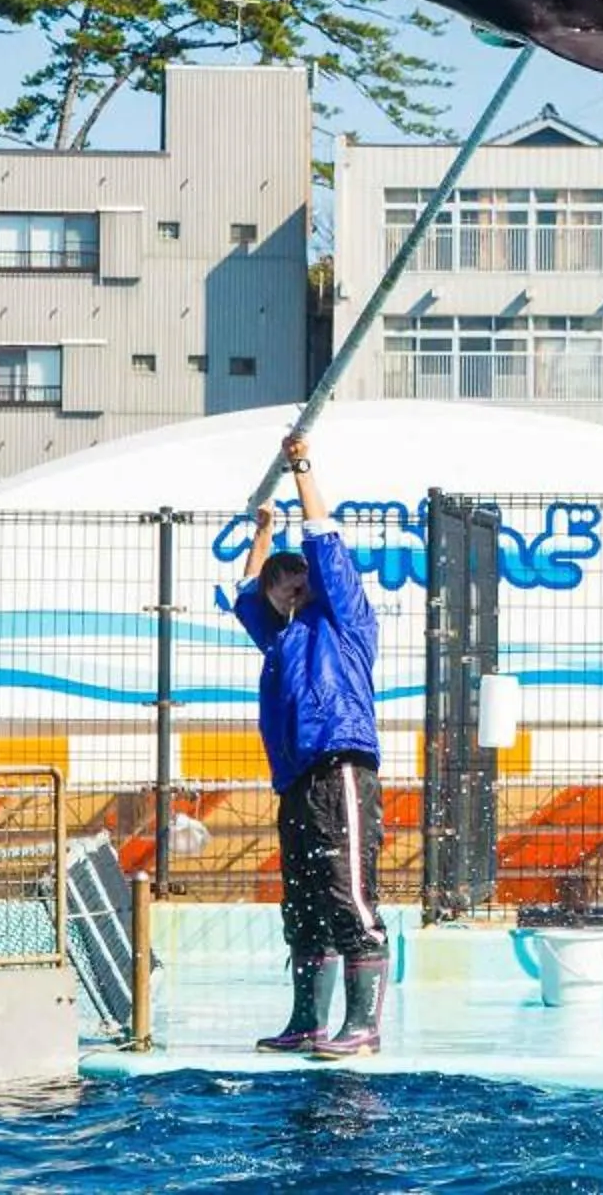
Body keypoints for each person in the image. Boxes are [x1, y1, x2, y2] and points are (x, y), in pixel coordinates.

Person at [236, 435, 389, 1057]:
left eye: (296, 578)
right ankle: (307, 1021)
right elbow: (247, 592)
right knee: (302, 901)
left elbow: (324, 539)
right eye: (280, 584)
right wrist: (264, 530)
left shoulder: (344, 619)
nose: (286, 587)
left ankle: (364, 1026)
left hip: (341, 766)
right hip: (296, 779)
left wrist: (301, 470)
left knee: (348, 892)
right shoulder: (279, 640)